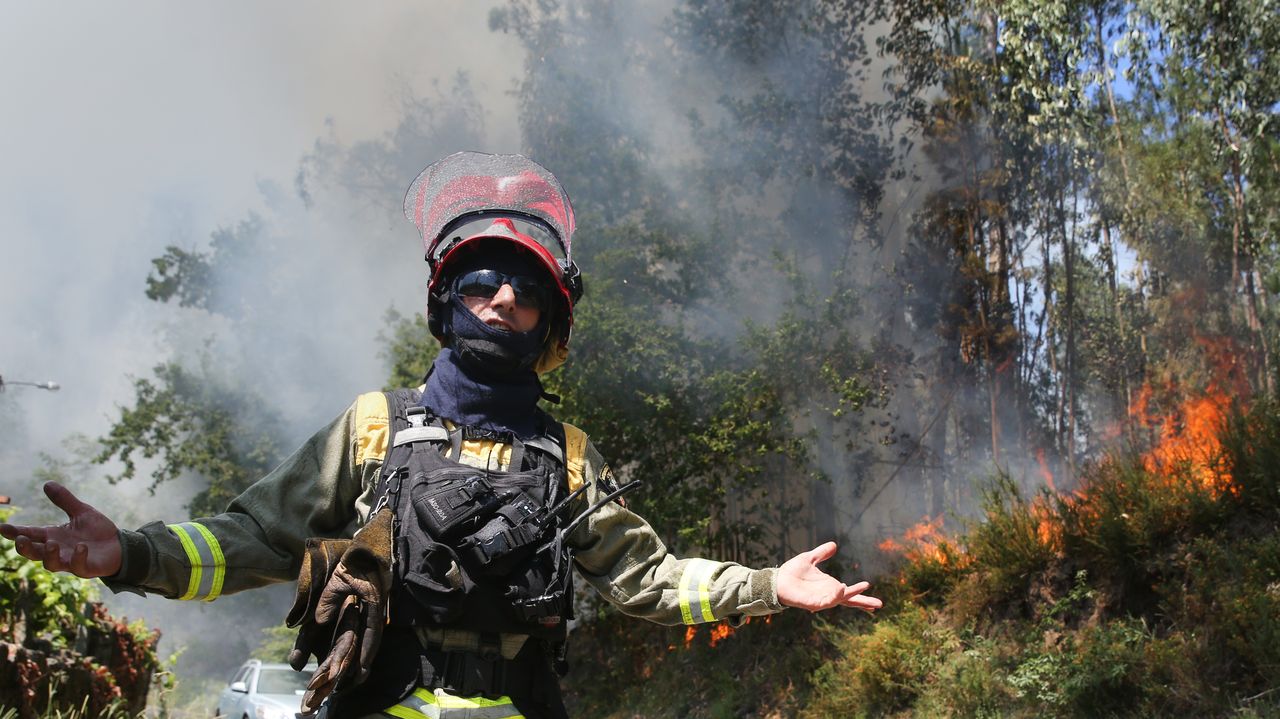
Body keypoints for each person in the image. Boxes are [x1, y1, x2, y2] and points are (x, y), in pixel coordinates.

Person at [0, 152, 882, 719]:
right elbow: (253, 540)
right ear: (445, 301)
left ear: (550, 324)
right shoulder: (374, 427)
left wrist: (769, 582)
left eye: (524, 293)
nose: (502, 300)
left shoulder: (568, 457)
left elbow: (646, 580)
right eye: (481, 283)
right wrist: (132, 554)